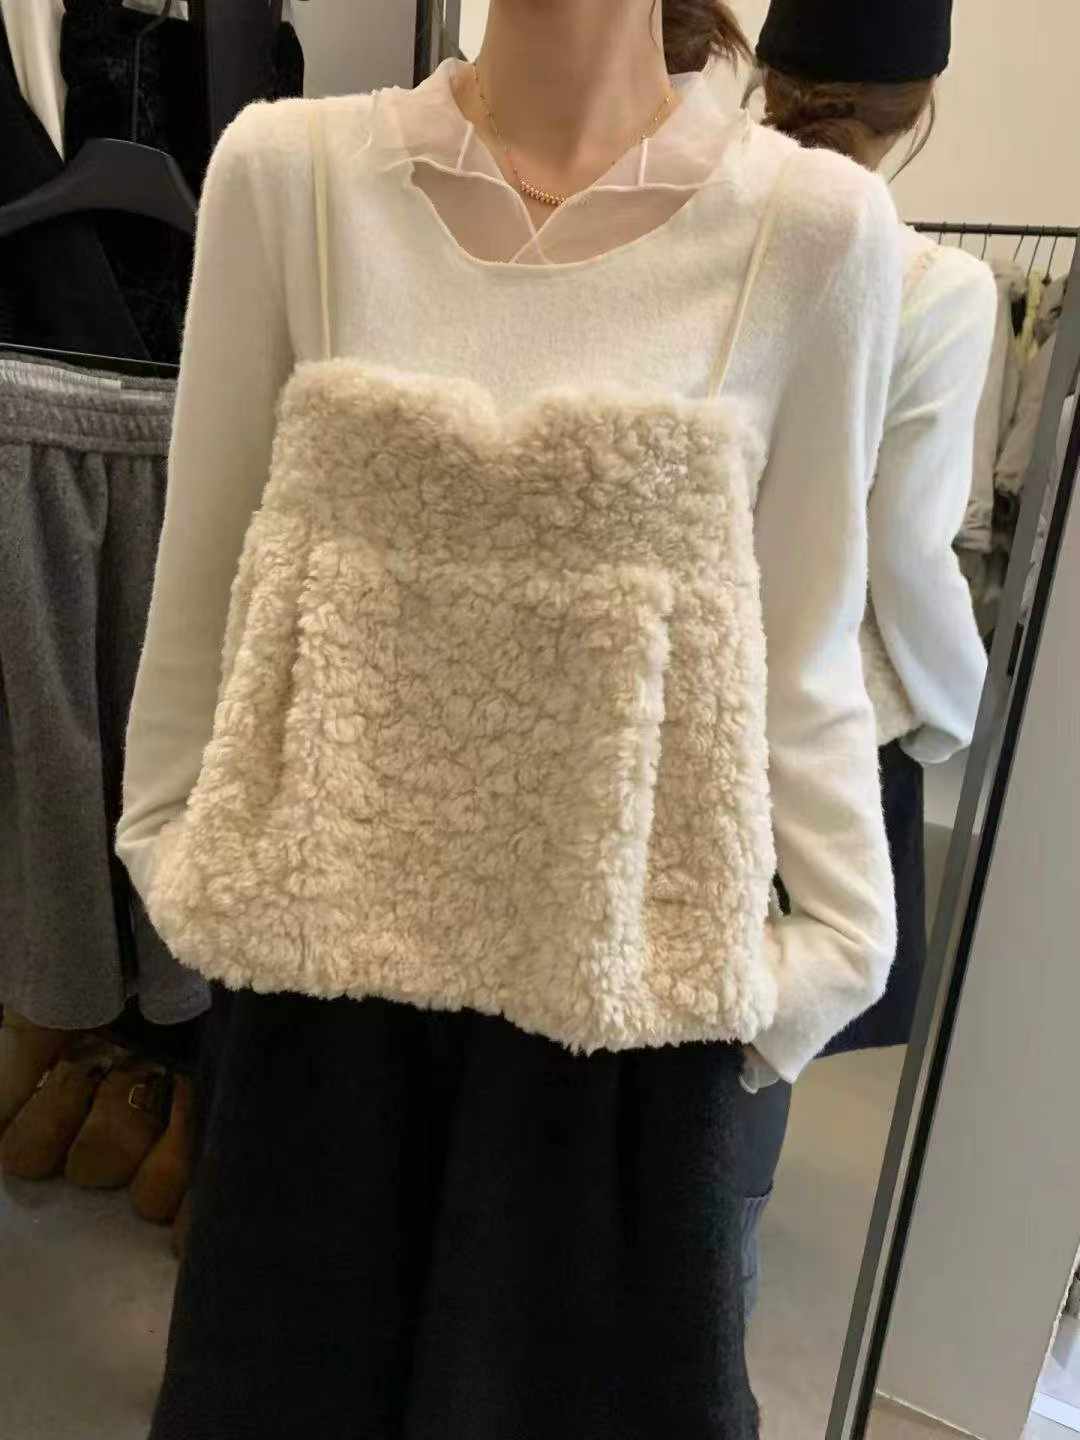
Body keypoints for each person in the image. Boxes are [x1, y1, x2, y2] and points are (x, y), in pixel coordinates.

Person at [117, 2, 906, 1434]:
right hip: (315, 1034)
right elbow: (202, 586)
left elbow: (805, 658)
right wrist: (174, 859)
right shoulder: (289, 177)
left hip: (621, 1041)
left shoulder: (810, 229)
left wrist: (818, 966)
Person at [736, 0, 997, 1316]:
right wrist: (958, 709)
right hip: (818, 722)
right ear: (921, 106)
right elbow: (907, 546)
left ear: (767, 70)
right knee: (756, 1044)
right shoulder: (935, 286)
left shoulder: (677, 224)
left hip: (653, 688)